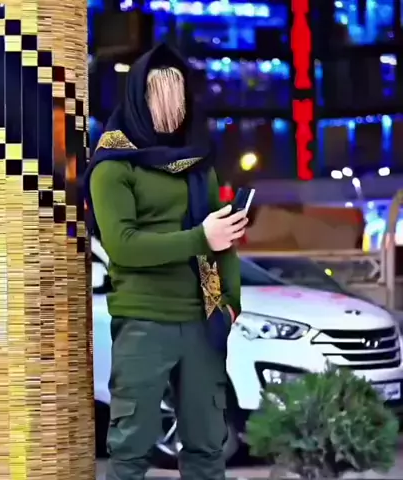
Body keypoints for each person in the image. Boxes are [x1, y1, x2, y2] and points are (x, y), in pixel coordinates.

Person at [83, 43, 247, 480]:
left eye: (179, 97)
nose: (173, 109)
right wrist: (200, 237)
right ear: (140, 99)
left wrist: (230, 303)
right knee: (132, 448)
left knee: (207, 447)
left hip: (202, 320)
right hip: (144, 320)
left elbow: (223, 242)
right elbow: (124, 246)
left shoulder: (198, 164)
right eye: (162, 97)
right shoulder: (113, 166)